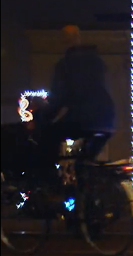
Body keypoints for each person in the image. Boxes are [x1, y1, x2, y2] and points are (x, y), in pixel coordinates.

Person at [39, 25, 115, 176]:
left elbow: (59, 98)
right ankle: (86, 184)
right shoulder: (96, 61)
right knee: (85, 161)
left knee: (48, 137)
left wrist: (43, 118)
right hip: (107, 120)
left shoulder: (65, 65)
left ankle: (51, 183)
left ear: (63, 41)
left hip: (83, 119)